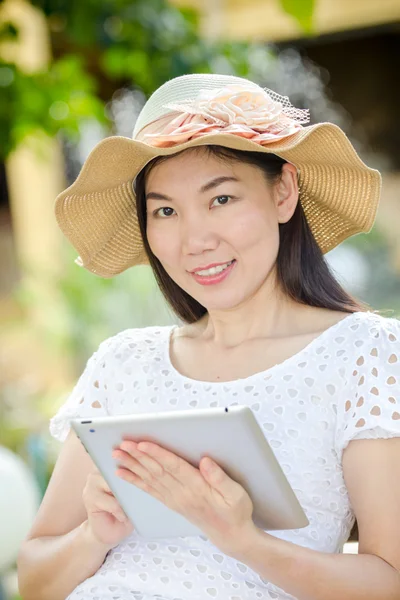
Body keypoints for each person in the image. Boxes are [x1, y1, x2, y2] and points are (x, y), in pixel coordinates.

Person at [17, 73, 400, 600]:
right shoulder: (124, 362)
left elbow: (389, 580)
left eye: (220, 199)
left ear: (283, 192)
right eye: (165, 210)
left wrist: (241, 539)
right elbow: (34, 581)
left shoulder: (364, 353)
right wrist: (94, 534)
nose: (196, 240)